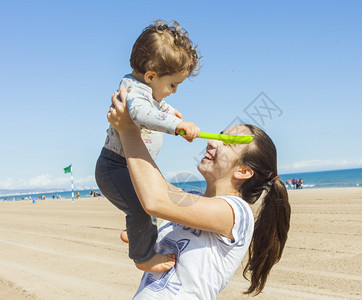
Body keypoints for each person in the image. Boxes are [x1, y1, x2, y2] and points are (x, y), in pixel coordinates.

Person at [107, 89, 291, 299]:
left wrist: (128, 130)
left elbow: (154, 201)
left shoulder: (236, 213)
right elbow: (150, 187)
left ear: (244, 172)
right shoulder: (190, 196)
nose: (212, 142)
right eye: (218, 136)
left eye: (228, 142)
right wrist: (151, 117)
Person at [95, 20, 201, 273]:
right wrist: (177, 125)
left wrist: (172, 116)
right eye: (173, 85)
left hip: (130, 165)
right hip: (116, 166)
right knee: (144, 209)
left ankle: (135, 233)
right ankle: (143, 257)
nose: (174, 91)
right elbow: (142, 114)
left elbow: (156, 107)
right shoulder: (134, 93)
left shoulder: (145, 91)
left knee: (151, 201)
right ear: (151, 76)